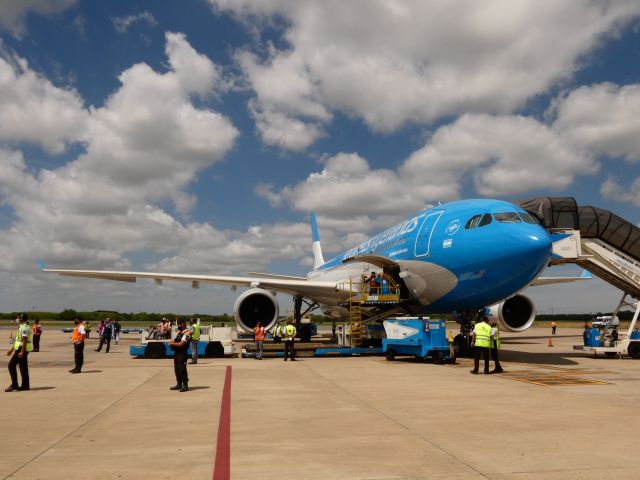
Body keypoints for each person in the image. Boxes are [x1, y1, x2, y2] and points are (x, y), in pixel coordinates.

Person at [6, 313, 31, 392]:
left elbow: (25, 339)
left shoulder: (24, 328)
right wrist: (11, 349)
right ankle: (25, 385)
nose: (17, 319)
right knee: (23, 368)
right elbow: (18, 340)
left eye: (18, 318)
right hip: (22, 349)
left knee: (11, 365)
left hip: (21, 349)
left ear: (21, 319)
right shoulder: (23, 326)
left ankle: (14, 385)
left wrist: (22, 351)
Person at [168, 318, 191, 392]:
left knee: (182, 369)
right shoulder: (180, 333)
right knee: (177, 369)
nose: (178, 326)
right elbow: (176, 341)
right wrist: (172, 343)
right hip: (177, 353)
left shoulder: (187, 333)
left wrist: (172, 343)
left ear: (183, 324)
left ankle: (185, 385)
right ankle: (179, 384)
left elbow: (181, 344)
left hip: (182, 353)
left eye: (179, 324)